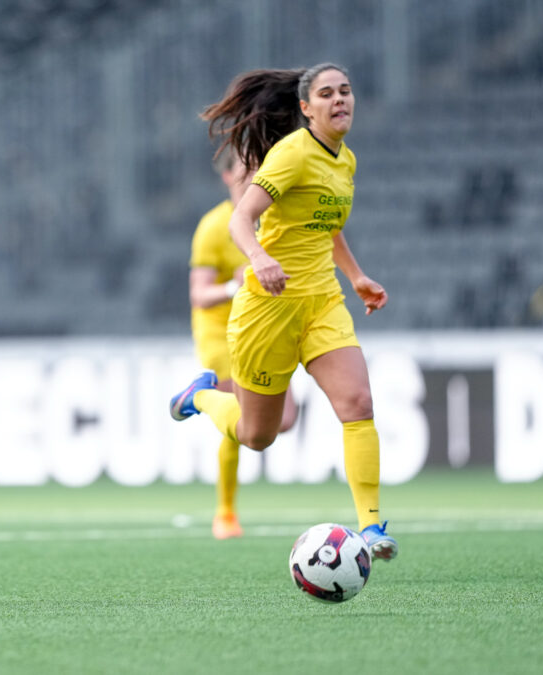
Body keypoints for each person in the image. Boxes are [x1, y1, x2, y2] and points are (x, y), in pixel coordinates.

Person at [170, 64, 398, 560]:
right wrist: (259, 257)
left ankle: (373, 527)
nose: (340, 99)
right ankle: (202, 398)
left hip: (321, 304)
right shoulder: (291, 155)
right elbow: (241, 217)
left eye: (346, 90)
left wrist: (356, 275)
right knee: (257, 436)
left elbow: (326, 225)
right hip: (266, 311)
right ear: (305, 108)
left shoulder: (345, 162)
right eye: (327, 93)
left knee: (357, 403)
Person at [188, 148, 298, 540]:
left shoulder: (271, 218)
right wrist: (236, 284)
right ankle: (225, 514)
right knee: (244, 417)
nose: (254, 175)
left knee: (284, 420)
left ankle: (198, 398)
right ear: (227, 176)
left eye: (259, 167)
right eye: (246, 168)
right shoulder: (213, 227)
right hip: (220, 334)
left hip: (262, 326)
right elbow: (199, 295)